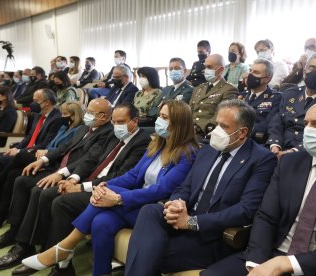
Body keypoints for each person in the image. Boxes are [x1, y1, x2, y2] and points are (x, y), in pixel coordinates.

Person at [203, 101, 316, 276]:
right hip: (271, 256)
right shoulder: (289, 163)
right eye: (306, 123)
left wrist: (288, 263)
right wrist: (256, 263)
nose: (308, 130)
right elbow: (266, 216)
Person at [22, 100, 199, 276]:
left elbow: (162, 190)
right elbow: (132, 176)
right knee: (101, 222)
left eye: (164, 117)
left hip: (155, 209)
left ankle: (65, 247)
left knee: (111, 197)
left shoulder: (188, 153)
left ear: (178, 122)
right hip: (135, 203)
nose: (158, 120)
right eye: (159, 115)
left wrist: (118, 197)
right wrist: (103, 187)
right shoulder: (157, 145)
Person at [122, 100, 277, 275]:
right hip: (185, 217)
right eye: (217, 124)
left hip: (213, 234)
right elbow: (185, 187)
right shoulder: (207, 151)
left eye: (224, 126)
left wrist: (192, 223)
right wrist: (176, 203)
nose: (216, 131)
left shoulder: (261, 159)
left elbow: (245, 210)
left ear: (242, 133)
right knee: (149, 211)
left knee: (150, 253)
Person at [9, 103, 151, 275]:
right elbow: (91, 159)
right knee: (46, 193)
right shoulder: (114, 134)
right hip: (88, 181)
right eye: (114, 122)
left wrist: (81, 187)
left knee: (61, 203)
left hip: (109, 189)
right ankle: (44, 251)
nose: (116, 126)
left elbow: (120, 177)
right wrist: (72, 179)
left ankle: (59, 262)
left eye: (120, 122)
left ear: (134, 121)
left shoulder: (142, 142)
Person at [0, 99, 112, 270]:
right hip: (58, 168)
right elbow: (65, 147)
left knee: (39, 190)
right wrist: (43, 159)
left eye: (91, 112)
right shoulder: (85, 127)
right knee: (21, 180)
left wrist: (61, 174)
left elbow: (89, 160)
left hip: (72, 174)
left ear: (103, 116)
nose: (86, 115)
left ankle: (26, 245)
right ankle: (15, 231)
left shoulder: (107, 133)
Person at [0, 101, 84, 231]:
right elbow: (51, 144)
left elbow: (64, 149)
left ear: (75, 115)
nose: (61, 116)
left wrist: (47, 152)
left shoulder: (79, 130)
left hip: (53, 160)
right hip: (44, 155)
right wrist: (46, 150)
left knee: (20, 156)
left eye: (65, 114)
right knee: (13, 174)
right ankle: (1, 217)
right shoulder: (64, 127)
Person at [267, 53, 316, 158]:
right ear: (304, 72)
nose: (315, 72)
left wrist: (292, 152)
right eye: (312, 68)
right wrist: (275, 145)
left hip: (311, 151)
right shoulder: (290, 93)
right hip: (280, 147)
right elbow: (277, 122)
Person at [190, 54, 238, 139]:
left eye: (209, 67)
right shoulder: (199, 88)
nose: (205, 70)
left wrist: (199, 128)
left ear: (221, 70)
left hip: (208, 134)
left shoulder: (229, 90)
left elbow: (222, 115)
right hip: (189, 132)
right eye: (205, 67)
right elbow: (189, 111)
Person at [242, 58, 282, 144]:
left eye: (256, 72)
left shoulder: (276, 98)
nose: (250, 75)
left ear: (267, 79)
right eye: (250, 71)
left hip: (256, 141)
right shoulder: (243, 95)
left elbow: (268, 124)